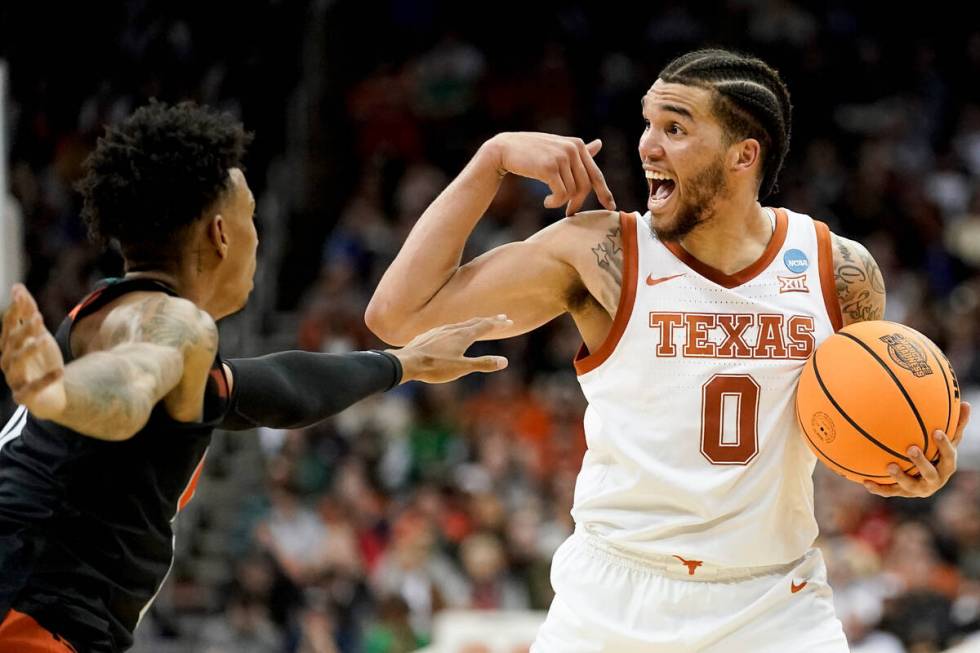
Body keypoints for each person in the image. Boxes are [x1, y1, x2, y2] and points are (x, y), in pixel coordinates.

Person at [366, 48, 973, 652]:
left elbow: (841, 425)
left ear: (743, 154)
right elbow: (397, 316)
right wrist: (491, 159)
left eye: (676, 127)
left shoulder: (837, 270)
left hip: (773, 603)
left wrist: (901, 469)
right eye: (648, 124)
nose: (647, 146)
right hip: (614, 599)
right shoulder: (604, 254)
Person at [0, 101, 510, 653]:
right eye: (251, 217)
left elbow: (277, 388)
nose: (257, 236)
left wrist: (402, 363)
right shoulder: (165, 320)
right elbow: (132, 380)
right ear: (221, 233)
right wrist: (60, 392)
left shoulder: (151, 334)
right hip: (29, 624)